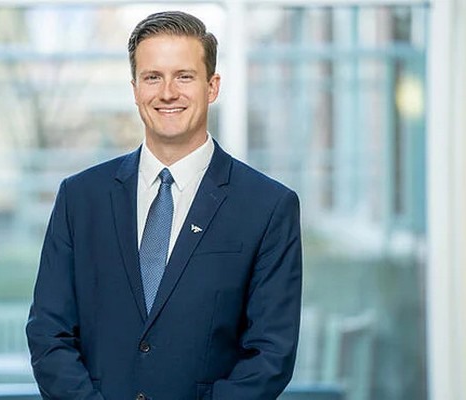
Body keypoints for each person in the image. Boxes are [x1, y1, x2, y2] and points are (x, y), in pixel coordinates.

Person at [26, 10, 302, 400]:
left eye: (184, 76)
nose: (167, 92)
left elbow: (270, 355)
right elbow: (48, 333)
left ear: (212, 86)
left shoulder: (268, 207)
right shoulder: (80, 198)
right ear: (135, 88)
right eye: (152, 77)